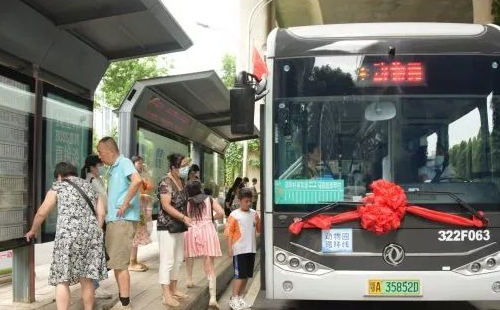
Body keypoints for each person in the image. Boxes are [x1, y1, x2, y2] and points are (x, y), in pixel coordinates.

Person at [25, 162, 107, 310]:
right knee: (87, 277)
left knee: (62, 279)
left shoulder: (58, 186)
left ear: (59, 175)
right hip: (91, 236)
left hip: (68, 237)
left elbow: (42, 212)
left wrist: (33, 230)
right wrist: (96, 229)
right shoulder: (89, 186)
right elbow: (101, 213)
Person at [97, 137, 142, 310]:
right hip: (116, 221)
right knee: (116, 263)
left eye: (101, 152)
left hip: (122, 221)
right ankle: (123, 301)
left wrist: (124, 203)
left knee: (120, 264)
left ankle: (125, 304)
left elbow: (137, 180)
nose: (100, 156)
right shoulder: (114, 168)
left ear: (110, 151)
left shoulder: (123, 162)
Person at [157, 153, 193, 307]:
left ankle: (174, 289)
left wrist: (187, 217)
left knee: (178, 259)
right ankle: (166, 295)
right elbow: (166, 205)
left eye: (186, 165)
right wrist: (183, 217)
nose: (186, 169)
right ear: (173, 167)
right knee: (168, 261)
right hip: (167, 226)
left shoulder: (181, 181)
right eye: (183, 166)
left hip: (179, 226)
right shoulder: (165, 182)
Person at [183, 179, 224, 308]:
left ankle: (189, 279)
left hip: (192, 230)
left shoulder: (188, 202)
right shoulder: (209, 199)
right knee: (209, 263)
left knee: (189, 254)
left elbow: (186, 218)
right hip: (208, 230)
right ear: (200, 188)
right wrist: (210, 219)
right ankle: (212, 298)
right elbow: (221, 213)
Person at [80, 154, 112, 299]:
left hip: (96, 221)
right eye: (100, 165)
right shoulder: (91, 181)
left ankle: (94, 286)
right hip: (95, 222)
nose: (102, 168)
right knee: (94, 255)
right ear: (93, 167)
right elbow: (102, 202)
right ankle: (94, 287)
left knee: (95, 254)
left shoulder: (94, 179)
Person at [225, 188, 261, 310]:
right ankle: (234, 298)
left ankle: (240, 297)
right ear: (240, 200)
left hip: (251, 249)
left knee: (246, 276)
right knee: (239, 276)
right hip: (239, 249)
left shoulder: (254, 214)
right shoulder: (234, 215)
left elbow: (259, 229)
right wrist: (229, 248)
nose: (248, 203)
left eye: (250, 201)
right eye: (246, 201)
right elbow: (229, 233)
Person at [128, 155, 153, 272]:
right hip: (133, 209)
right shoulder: (130, 177)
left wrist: (146, 172)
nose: (141, 165)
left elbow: (150, 186)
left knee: (137, 235)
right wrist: (142, 196)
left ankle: (134, 260)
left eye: (142, 163)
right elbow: (129, 194)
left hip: (140, 209)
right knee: (134, 235)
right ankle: (131, 262)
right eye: (139, 163)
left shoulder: (139, 176)